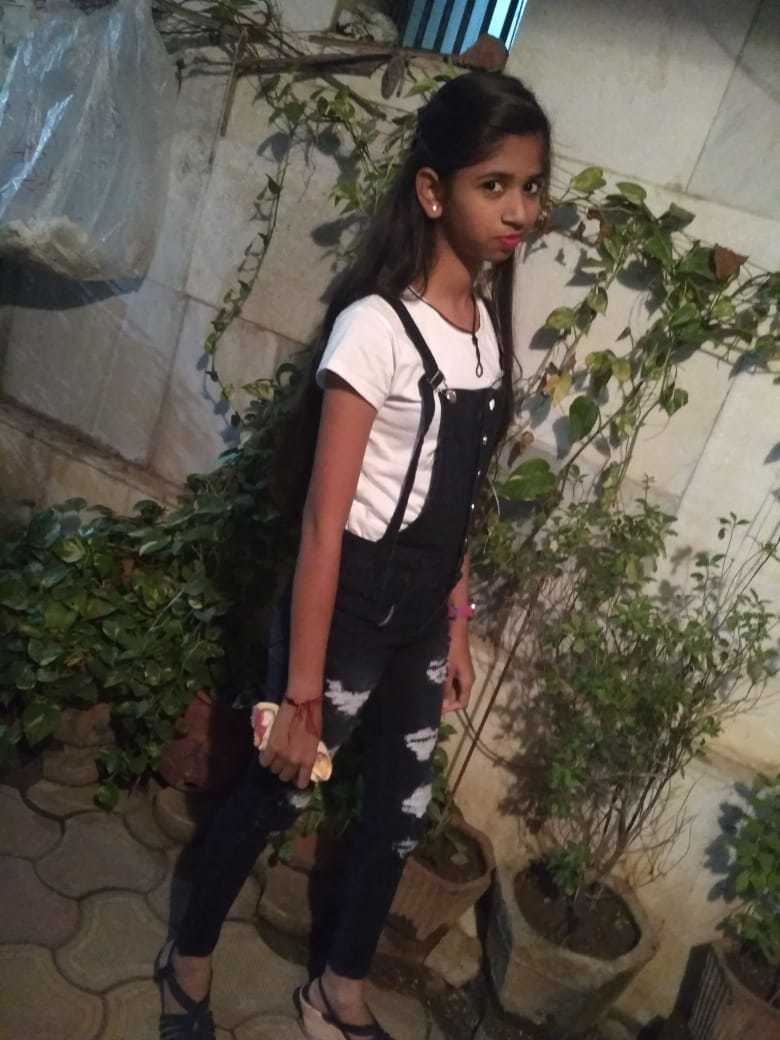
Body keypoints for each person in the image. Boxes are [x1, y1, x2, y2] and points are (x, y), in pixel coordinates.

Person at [155, 70, 551, 1040]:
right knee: (277, 792)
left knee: (401, 816)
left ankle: (338, 988)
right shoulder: (375, 329)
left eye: (532, 187)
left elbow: (460, 504)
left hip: (421, 611)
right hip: (351, 602)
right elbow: (322, 526)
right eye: (494, 185)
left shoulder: (486, 335)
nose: (519, 210)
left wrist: (456, 622)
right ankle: (187, 961)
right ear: (433, 191)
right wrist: (300, 695)